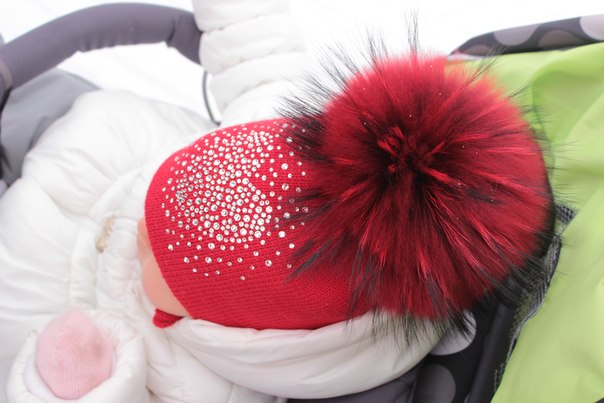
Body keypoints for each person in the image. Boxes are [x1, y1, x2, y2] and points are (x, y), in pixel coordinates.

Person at [2, 1, 554, 402]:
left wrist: (70, 381)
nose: (141, 232)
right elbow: (259, 54)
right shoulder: (283, 142)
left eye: (157, 256)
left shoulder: (205, 387)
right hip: (81, 135)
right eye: (155, 211)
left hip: (25, 278)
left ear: (228, 322)